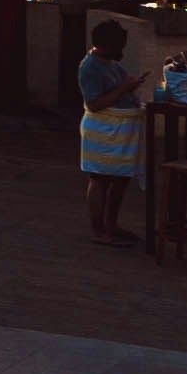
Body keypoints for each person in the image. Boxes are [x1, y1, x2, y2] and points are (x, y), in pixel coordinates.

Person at [77, 18, 144, 246]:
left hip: (120, 128)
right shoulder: (90, 67)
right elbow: (94, 103)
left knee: (120, 178)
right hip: (102, 129)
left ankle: (111, 224)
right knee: (100, 177)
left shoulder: (111, 64)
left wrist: (129, 88)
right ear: (107, 45)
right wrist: (124, 89)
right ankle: (99, 229)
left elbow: (121, 85)